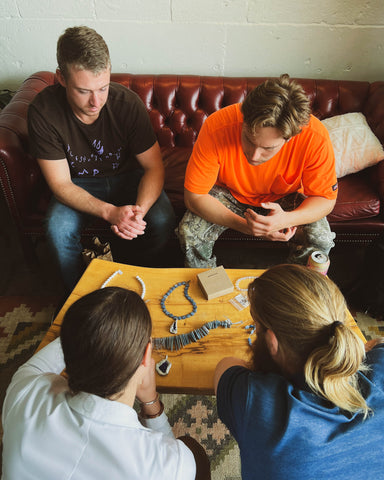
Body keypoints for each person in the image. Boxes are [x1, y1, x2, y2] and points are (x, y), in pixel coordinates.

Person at [2, 287, 211, 480]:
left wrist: (97, 324)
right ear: (146, 356)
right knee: (195, 452)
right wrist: (150, 402)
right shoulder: (170, 465)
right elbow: (173, 459)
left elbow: (59, 348)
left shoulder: (24, 391)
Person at [27, 26, 175, 293]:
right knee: (57, 229)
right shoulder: (44, 111)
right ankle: (78, 297)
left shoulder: (127, 103)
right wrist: (110, 212)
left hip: (129, 177)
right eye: (83, 91)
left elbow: (154, 167)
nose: (96, 101)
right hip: (78, 183)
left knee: (162, 219)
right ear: (61, 77)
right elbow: (60, 185)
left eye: (103, 88)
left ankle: (134, 284)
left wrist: (137, 212)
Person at [214, 264, 384, 480]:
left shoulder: (255, 401)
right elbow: (377, 343)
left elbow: (225, 366)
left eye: (257, 325)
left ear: (272, 342)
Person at [176, 74, 338, 267]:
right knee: (189, 232)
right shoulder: (216, 125)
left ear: (291, 138)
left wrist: (285, 219)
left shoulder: (315, 137)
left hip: (285, 197)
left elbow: (325, 200)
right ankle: (207, 287)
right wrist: (246, 227)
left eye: (268, 148)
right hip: (228, 193)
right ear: (243, 119)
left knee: (322, 239)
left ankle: (294, 287)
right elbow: (194, 197)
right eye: (249, 140)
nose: (254, 156)